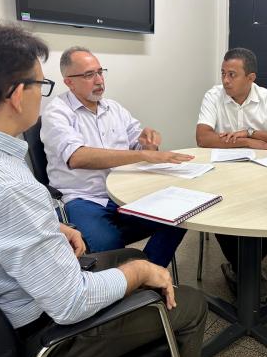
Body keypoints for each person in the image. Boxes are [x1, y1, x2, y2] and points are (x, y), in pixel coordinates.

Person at [0, 22, 207, 357]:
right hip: (43, 335)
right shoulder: (9, 186)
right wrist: (142, 270)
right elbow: (72, 303)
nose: (44, 94)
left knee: (133, 252)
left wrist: (49, 226)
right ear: (19, 94)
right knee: (190, 302)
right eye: (42, 84)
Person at [41, 47, 193, 267]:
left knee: (178, 218)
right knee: (108, 242)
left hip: (124, 193)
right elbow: (77, 157)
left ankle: (147, 276)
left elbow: (136, 142)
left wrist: (147, 140)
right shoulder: (57, 112)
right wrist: (141, 153)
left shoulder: (114, 108)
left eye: (100, 72)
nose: (99, 80)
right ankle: (130, 280)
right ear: (69, 82)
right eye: (88, 75)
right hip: (83, 198)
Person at [196, 47, 267, 302]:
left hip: (264, 175)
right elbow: (203, 138)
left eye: (232, 74)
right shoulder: (214, 95)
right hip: (223, 174)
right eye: (223, 73)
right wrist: (247, 144)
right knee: (220, 212)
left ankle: (241, 269)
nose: (225, 80)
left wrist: (250, 133)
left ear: (250, 78)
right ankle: (246, 270)